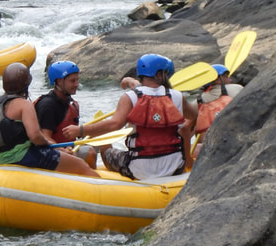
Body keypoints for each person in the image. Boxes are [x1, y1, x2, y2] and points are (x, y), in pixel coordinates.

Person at [62, 54, 197, 180]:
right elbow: (194, 116)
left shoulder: (130, 97)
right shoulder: (177, 96)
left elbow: (114, 124)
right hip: (175, 166)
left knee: (107, 150)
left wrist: (80, 130)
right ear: (160, 75)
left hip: (139, 169)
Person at [0, 62, 98, 177]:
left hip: (2, 159)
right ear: (26, 84)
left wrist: (7, 154)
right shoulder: (24, 104)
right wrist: (55, 148)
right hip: (26, 157)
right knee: (81, 166)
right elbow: (35, 136)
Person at [34, 61, 96, 169]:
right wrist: (63, 151)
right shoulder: (48, 106)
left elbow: (71, 133)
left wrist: (89, 130)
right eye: (72, 81)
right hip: (50, 153)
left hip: (68, 148)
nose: (77, 84)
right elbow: (44, 137)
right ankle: (93, 181)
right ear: (59, 82)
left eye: (77, 80)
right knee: (90, 153)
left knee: (101, 143)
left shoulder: (69, 102)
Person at [182, 63, 243, 160]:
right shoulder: (237, 89)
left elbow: (185, 130)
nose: (230, 80)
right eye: (226, 77)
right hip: (235, 141)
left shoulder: (197, 102)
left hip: (207, 150)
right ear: (217, 79)